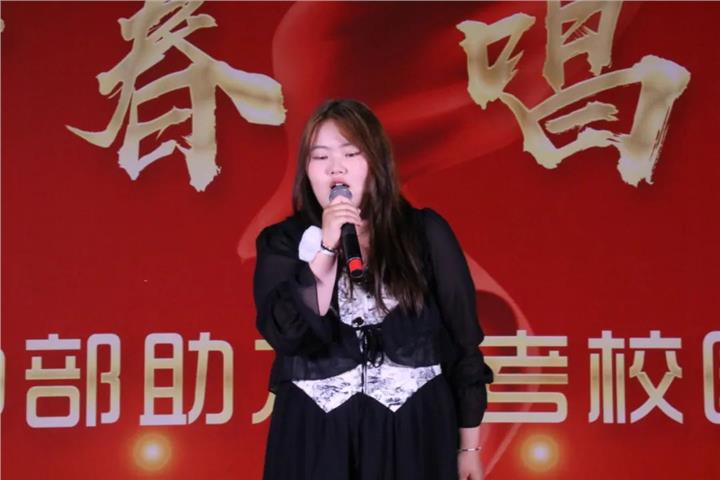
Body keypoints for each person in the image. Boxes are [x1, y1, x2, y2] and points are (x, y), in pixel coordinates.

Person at [254, 99, 493, 480]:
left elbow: (464, 343)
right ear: (306, 170)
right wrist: (326, 249)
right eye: (320, 156)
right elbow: (286, 333)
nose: (335, 167)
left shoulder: (424, 233)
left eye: (351, 153)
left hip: (413, 431)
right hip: (315, 436)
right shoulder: (283, 242)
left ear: (376, 162)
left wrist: (468, 449)